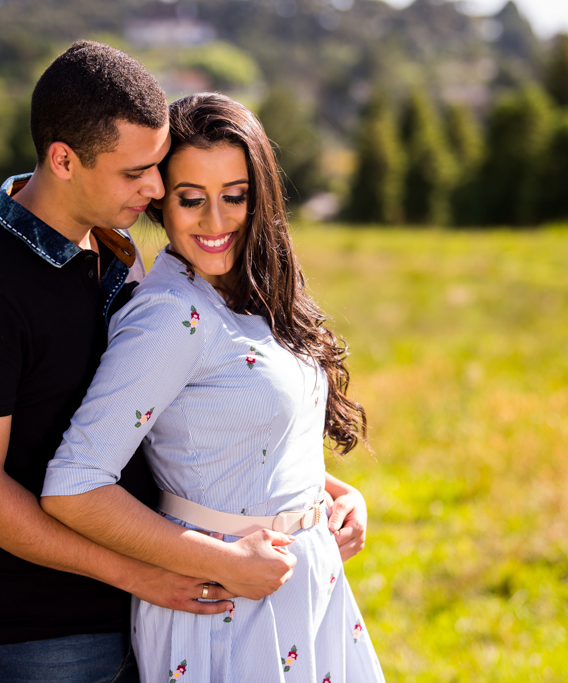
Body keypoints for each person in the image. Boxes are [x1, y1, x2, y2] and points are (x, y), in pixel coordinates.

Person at [0, 42, 370, 683]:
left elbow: (179, 412)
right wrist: (146, 573)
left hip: (143, 607)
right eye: (137, 173)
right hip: (35, 628)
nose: (155, 189)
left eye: (157, 168)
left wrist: (314, 499)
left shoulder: (115, 254)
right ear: (63, 159)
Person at [41, 93, 385, 682]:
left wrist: (328, 495)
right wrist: (227, 561)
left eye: (235, 196)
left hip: (306, 595)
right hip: (225, 610)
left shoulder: (256, 293)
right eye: (190, 199)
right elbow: (73, 486)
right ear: (161, 202)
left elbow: (240, 437)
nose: (216, 221)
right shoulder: (172, 316)